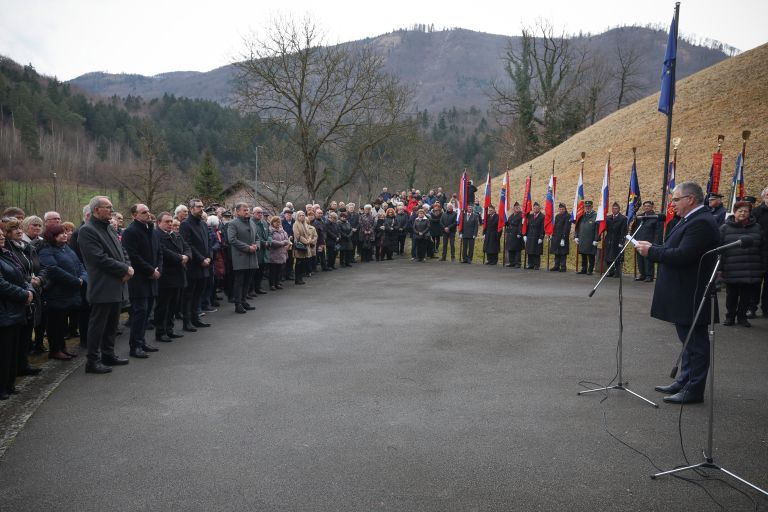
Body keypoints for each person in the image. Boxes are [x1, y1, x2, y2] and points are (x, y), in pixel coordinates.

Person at [635, 182, 720, 404]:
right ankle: (684, 380)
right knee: (687, 340)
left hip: (691, 292)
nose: (672, 204)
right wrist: (652, 247)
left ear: (690, 199)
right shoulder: (690, 219)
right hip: (683, 291)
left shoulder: (701, 222)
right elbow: (673, 247)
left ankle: (694, 390)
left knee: (696, 344)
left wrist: (652, 251)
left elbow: (684, 255)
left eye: (675, 199)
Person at [78, 196, 133, 374]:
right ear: (96, 210)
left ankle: (108, 354)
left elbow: (121, 249)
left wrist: (127, 267)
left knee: (112, 323)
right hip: (102, 285)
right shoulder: (87, 230)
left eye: (111, 207)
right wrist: (124, 269)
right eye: (107, 207)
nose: (111, 210)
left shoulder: (108, 227)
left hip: (117, 282)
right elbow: (98, 259)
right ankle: (92, 361)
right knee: (98, 325)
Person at [38, 224, 86, 361]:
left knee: (62, 323)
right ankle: (55, 350)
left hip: (70, 292)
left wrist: (82, 278)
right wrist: (75, 281)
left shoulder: (67, 248)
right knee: (55, 324)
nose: (64, 235)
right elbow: (53, 270)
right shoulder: (46, 251)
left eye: (65, 232)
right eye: (60, 233)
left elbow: (80, 265)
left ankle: (62, 348)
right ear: (51, 236)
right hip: (56, 294)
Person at [121, 204, 162, 359]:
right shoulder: (131, 232)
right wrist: (150, 270)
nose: (148, 214)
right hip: (139, 280)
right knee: (140, 312)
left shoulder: (151, 230)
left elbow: (159, 252)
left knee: (147, 313)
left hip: (153, 278)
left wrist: (158, 269)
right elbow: (132, 256)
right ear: (134, 215)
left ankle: (142, 341)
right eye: (144, 212)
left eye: (148, 211)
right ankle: (135, 345)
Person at [0, 219, 35, 399]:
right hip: (5, 310)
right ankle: (2, 387)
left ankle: (9, 384)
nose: (0, 237)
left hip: (15, 309)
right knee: (4, 351)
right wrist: (24, 294)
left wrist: (28, 290)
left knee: (13, 349)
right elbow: (2, 284)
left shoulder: (7, 254)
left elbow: (22, 275)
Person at [719, 201, 766, 327]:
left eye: (746, 211)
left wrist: (763, 265)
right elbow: (720, 249)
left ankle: (742, 317)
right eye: (740, 211)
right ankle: (730, 317)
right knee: (731, 296)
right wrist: (720, 267)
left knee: (746, 296)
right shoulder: (725, 228)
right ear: (734, 212)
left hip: (752, 267)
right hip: (731, 267)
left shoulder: (757, 228)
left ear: (750, 213)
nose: (743, 213)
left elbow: (763, 247)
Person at [154, 212, 189, 342]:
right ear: (159, 223)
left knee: (174, 305)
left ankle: (169, 328)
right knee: (163, 306)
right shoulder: (156, 235)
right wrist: (180, 257)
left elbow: (186, 247)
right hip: (166, 276)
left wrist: (187, 256)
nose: (170, 224)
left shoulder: (175, 234)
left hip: (178, 274)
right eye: (167, 222)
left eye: (170, 221)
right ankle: (160, 331)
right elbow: (163, 251)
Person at [179, 199, 211, 331]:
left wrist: (209, 257)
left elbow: (208, 242)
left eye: (202, 206)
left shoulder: (203, 224)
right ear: (191, 208)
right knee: (189, 295)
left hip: (205, 264)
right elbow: (188, 245)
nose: (201, 209)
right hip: (193, 266)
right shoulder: (185, 224)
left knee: (199, 293)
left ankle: (196, 318)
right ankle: (187, 322)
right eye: (198, 207)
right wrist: (201, 259)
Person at [227, 203, 260, 313]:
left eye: (248, 210)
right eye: (244, 210)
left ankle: (244, 300)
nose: (247, 212)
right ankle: (238, 304)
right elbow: (232, 239)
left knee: (248, 281)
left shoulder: (252, 223)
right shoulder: (232, 224)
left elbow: (257, 237)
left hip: (252, 257)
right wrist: (247, 248)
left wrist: (256, 245)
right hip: (240, 258)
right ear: (237, 211)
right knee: (239, 282)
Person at [633, 201, 661, 282]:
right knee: (640, 259)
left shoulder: (655, 217)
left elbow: (658, 232)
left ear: (652, 207)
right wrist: (634, 239)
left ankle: (649, 276)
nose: (646, 207)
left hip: (649, 242)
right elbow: (635, 229)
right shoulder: (640, 217)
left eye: (648, 206)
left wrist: (655, 243)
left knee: (648, 260)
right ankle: (642, 274)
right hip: (638, 241)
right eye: (645, 206)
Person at [754, 186, 768, 317]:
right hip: (758, 253)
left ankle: (766, 309)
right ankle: (751, 308)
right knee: (755, 283)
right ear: (764, 197)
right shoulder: (757, 212)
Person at [604, 202, 628, 277]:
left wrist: (621, 242)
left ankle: (617, 272)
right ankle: (610, 271)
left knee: (617, 256)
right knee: (608, 255)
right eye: (613, 208)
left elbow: (624, 231)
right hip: (609, 238)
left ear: (619, 209)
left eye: (616, 208)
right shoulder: (608, 217)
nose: (614, 210)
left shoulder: (623, 218)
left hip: (617, 239)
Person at [250, 207, 271, 294]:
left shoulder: (264, 222)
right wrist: (263, 243)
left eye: (261, 213)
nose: (260, 214)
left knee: (261, 270)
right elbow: (256, 237)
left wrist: (269, 241)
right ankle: (251, 289)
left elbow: (269, 234)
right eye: (258, 212)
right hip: (257, 250)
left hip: (264, 250)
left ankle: (258, 287)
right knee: (254, 271)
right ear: (253, 213)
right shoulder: (251, 223)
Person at [575, 201, 599, 275]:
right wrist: (576, 236)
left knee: (591, 255)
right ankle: (584, 269)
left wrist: (596, 239)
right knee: (583, 254)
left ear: (592, 207)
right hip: (582, 238)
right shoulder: (581, 215)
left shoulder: (596, 216)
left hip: (591, 239)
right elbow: (577, 226)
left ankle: (590, 270)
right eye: (586, 206)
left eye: (589, 206)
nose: (587, 208)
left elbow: (597, 229)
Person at [268, 216, 290, 290]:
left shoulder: (282, 230)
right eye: (276, 222)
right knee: (273, 270)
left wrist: (283, 243)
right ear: (272, 222)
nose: (277, 223)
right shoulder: (270, 230)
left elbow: (287, 240)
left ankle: (278, 283)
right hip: (273, 253)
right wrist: (282, 243)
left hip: (281, 253)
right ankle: (272, 284)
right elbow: (271, 241)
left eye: (279, 222)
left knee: (279, 270)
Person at [550, 203, 571, 272]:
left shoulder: (568, 216)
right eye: (560, 209)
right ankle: (556, 266)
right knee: (557, 252)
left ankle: (563, 267)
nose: (561, 210)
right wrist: (552, 235)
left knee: (563, 253)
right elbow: (555, 227)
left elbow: (566, 228)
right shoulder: (557, 216)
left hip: (563, 237)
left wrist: (563, 238)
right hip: (556, 237)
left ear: (565, 209)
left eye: (563, 209)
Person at [524, 202, 545, 270]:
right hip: (530, 235)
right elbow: (527, 226)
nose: (535, 209)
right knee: (530, 251)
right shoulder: (530, 216)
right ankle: (530, 264)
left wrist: (541, 237)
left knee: (536, 251)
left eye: (537, 208)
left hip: (537, 236)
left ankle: (536, 265)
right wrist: (525, 235)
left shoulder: (542, 216)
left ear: (539, 208)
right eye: (534, 208)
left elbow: (542, 228)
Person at [292, 211, 311, 283]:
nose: (302, 216)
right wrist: (306, 241)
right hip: (299, 246)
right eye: (300, 215)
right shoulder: (295, 224)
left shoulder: (304, 224)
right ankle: (297, 279)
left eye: (303, 215)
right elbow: (297, 236)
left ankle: (301, 278)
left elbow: (309, 234)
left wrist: (309, 239)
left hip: (305, 245)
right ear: (297, 216)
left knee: (303, 262)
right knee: (299, 263)